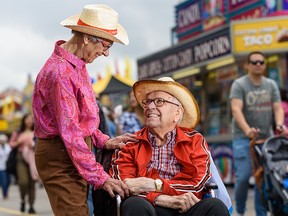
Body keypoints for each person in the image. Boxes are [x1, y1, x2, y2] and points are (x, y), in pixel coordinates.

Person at [32, 4, 137, 216]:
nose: (106, 53)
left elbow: (80, 122)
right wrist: (101, 177)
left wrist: (102, 139)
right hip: (61, 153)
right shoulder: (61, 72)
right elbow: (70, 133)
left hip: (70, 151)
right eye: (106, 45)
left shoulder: (76, 66)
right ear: (87, 38)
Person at [110, 77, 230, 216]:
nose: (150, 106)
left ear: (177, 113)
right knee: (134, 204)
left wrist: (155, 185)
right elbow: (124, 186)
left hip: (186, 206)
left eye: (159, 101)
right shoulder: (129, 143)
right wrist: (160, 198)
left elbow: (196, 184)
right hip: (150, 207)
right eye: (147, 102)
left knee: (215, 206)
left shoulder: (195, 140)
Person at [229, 51, 288, 216]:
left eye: (261, 62)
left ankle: (261, 213)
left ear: (265, 64)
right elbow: (236, 109)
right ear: (247, 65)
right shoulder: (239, 84)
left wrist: (279, 125)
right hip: (243, 138)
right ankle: (240, 210)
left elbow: (277, 107)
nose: (258, 65)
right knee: (243, 177)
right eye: (254, 62)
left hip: (266, 139)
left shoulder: (270, 84)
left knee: (263, 180)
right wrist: (248, 130)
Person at [9, 113, 37, 214]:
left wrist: (33, 144)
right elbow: (11, 144)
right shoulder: (18, 133)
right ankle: (22, 200)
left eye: (31, 119)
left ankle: (31, 205)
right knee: (23, 182)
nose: (29, 121)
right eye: (27, 119)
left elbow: (40, 143)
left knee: (32, 182)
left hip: (33, 158)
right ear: (24, 120)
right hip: (21, 157)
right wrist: (18, 142)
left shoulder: (37, 132)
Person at [0, 134, 11, 200]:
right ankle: (5, 194)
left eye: (3, 140)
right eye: (1, 140)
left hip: (8, 166)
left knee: (8, 181)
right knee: (3, 181)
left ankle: (6, 191)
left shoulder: (8, 146)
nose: (2, 141)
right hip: (1, 167)